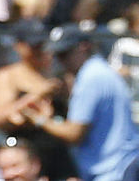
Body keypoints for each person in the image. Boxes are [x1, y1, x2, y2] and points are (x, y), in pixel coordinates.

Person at [21, 24, 139, 180]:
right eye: (58, 55)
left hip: (113, 171)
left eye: (65, 54)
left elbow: (74, 133)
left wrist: (40, 119)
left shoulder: (91, 78)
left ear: (84, 46)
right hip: (118, 167)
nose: (61, 61)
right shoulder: (99, 71)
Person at [0, 20, 78, 180]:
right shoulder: (8, 76)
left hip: (57, 156)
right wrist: (37, 96)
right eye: (34, 45)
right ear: (19, 46)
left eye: (42, 44)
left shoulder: (60, 75)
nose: (40, 49)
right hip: (24, 160)